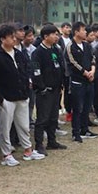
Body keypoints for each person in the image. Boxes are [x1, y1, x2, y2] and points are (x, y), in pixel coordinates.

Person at [0, 23, 46, 165]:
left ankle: (28, 150)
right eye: (11, 37)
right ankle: (6, 154)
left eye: (14, 36)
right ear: (2, 39)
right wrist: (0, 99)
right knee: (5, 128)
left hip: (22, 95)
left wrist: (27, 85)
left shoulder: (19, 54)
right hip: (6, 98)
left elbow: (27, 70)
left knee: (24, 125)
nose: (14, 39)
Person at [31, 24, 68, 155]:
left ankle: (52, 141)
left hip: (56, 89)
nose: (56, 37)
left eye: (57, 35)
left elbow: (60, 67)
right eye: (54, 35)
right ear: (45, 36)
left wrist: (62, 83)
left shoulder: (55, 50)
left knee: (53, 117)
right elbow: (36, 71)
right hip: (45, 91)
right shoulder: (38, 52)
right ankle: (39, 144)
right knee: (42, 118)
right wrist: (42, 87)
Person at [65, 21, 98, 142]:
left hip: (89, 81)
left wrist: (92, 71)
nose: (85, 32)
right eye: (83, 30)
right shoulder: (70, 46)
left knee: (87, 107)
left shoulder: (87, 46)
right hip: (77, 82)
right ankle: (76, 132)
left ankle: (85, 129)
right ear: (76, 32)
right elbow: (72, 63)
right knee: (77, 108)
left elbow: (93, 59)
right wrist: (85, 72)